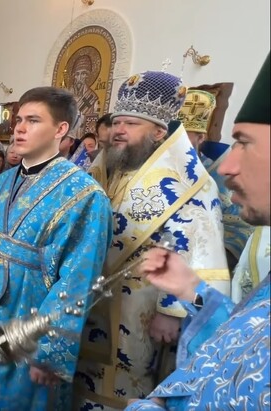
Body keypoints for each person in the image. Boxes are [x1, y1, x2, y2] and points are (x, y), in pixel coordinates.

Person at [0, 87, 113, 410]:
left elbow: (78, 280)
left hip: (27, 319)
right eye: (19, 119)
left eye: (32, 120)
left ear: (61, 130)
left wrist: (49, 350)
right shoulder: (1, 183)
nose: (18, 128)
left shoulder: (85, 195)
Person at [76, 71, 230, 409]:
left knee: (125, 386)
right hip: (93, 296)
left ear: (159, 132)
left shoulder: (191, 182)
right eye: (117, 122)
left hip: (142, 308)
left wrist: (172, 311)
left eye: (130, 124)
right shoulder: (107, 168)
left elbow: (200, 248)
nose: (118, 130)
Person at [126, 53, 270, 411]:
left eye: (244, 142)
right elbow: (245, 340)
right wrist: (194, 291)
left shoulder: (192, 180)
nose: (228, 166)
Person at [178, 89, 253, 268]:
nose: (172, 141)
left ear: (200, 137)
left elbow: (241, 229)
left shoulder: (219, 174)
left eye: (181, 134)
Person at [70, 54, 100, 121]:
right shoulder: (67, 96)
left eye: (83, 73)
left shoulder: (92, 97)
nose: (79, 78)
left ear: (87, 76)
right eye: (77, 74)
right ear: (74, 76)